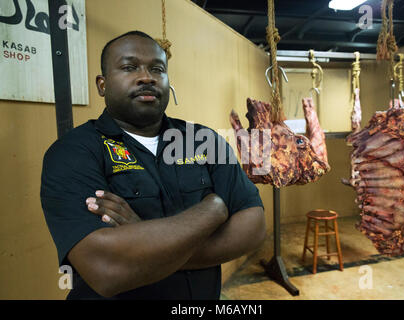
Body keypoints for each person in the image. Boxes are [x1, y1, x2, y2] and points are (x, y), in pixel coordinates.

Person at [40, 30, 266, 300]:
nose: (146, 77)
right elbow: (106, 269)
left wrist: (146, 243)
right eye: (129, 67)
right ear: (102, 84)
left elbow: (253, 227)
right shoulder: (73, 153)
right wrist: (213, 210)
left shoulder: (203, 141)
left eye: (157, 69)